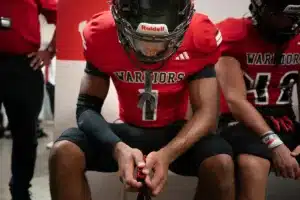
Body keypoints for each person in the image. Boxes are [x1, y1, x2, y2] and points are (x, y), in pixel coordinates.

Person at [49, 1, 235, 200]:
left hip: (175, 132)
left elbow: (207, 113)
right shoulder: (102, 33)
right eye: (140, 39)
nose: (151, 50)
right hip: (127, 132)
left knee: (221, 163)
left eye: (161, 41)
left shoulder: (198, 34)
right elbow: (87, 107)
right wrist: (118, 148)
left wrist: (168, 154)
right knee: (63, 152)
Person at [216, 0, 300, 200]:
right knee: (253, 164)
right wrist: (275, 144)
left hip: (284, 120)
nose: (287, 21)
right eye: (279, 13)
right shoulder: (234, 35)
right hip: (243, 123)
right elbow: (236, 101)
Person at [0, 0, 56, 199]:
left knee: (25, 135)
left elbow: (61, 16)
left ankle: (20, 190)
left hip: (22, 66)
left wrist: (49, 50)